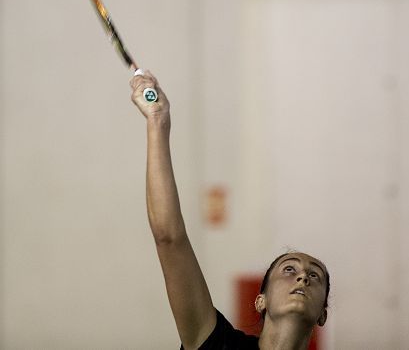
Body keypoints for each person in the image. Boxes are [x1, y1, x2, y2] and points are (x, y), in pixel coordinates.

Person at [131, 70, 330, 350]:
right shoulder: (218, 344)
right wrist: (157, 122)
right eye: (289, 269)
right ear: (261, 300)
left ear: (323, 313)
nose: (302, 278)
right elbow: (169, 237)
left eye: (314, 276)